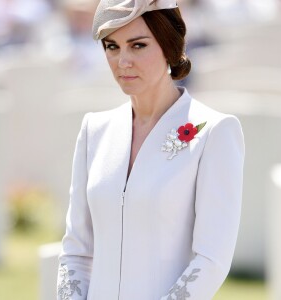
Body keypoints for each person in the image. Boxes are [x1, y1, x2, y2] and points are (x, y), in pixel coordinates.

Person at [57, 0, 245, 299]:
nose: (123, 61)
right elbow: (76, 250)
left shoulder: (214, 132)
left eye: (138, 45)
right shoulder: (95, 129)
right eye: (112, 47)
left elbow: (212, 259)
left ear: (169, 46)